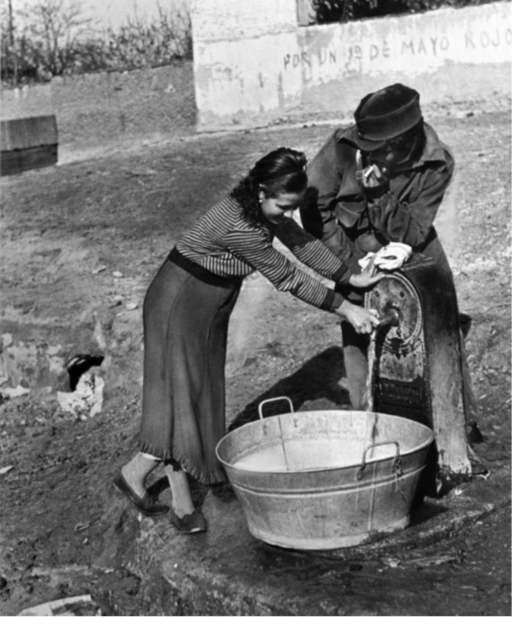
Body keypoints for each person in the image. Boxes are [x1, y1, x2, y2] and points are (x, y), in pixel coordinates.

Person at [114, 147, 383, 534]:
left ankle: (133, 474)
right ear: (260, 191)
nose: (287, 214)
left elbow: (298, 240)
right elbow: (287, 275)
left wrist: (349, 276)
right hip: (180, 302)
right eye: (283, 205)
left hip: (208, 302)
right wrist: (346, 308)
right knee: (182, 397)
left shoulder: (262, 209)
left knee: (200, 392)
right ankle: (182, 504)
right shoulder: (239, 224)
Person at [300, 83, 480, 436]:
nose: (366, 154)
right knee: (361, 325)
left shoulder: (437, 161)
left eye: (376, 150)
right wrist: (350, 264)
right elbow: (313, 206)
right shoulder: (343, 148)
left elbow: (412, 233)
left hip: (411, 243)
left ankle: (455, 423)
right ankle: (370, 423)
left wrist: (380, 195)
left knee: (440, 319)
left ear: (401, 144)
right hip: (351, 248)